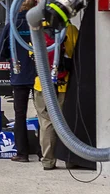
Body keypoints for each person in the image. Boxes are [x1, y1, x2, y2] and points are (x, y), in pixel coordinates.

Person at [0, 0, 37, 163]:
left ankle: (22, 153)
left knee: (20, 114)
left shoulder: (12, 25)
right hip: (41, 76)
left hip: (19, 74)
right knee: (46, 114)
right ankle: (46, 153)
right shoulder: (41, 23)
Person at [32, 23, 78, 170]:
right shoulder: (70, 30)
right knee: (66, 122)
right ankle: (69, 158)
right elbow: (78, 54)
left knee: (46, 123)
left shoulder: (37, 28)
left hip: (42, 85)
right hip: (64, 85)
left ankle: (48, 161)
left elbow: (31, 54)